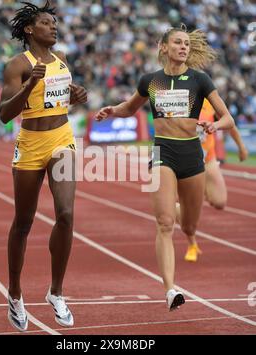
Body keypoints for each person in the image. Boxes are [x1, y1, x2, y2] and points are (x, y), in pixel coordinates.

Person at [96, 25, 235, 311]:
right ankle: (170, 289)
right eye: (177, 42)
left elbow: (228, 118)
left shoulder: (200, 79)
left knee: (189, 224)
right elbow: (130, 107)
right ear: (164, 47)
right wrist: (112, 110)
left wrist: (214, 125)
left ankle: (185, 220)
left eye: (186, 43)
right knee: (164, 223)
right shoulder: (152, 81)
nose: (183, 47)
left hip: (192, 154)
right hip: (163, 151)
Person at [0, 1, 87, 331]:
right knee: (23, 222)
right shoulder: (17, 65)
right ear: (29, 30)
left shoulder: (62, 60)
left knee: (65, 214)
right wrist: (29, 84)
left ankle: (56, 292)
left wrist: (77, 95)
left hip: (62, 139)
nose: (54, 27)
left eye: (55, 22)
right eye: (47, 23)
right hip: (30, 145)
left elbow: (63, 98)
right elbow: (6, 114)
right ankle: (14, 293)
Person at [180, 99, 249, 262]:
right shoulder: (177, 97)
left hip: (208, 158)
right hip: (184, 162)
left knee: (220, 202)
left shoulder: (209, 99)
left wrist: (241, 146)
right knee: (185, 208)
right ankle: (192, 244)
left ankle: (200, 191)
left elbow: (228, 121)